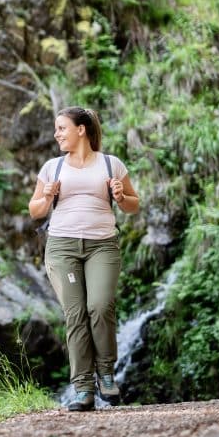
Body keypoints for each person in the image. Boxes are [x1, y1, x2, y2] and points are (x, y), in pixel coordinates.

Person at [28, 106, 139, 412]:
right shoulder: (52, 168)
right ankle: (83, 388)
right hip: (63, 249)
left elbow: (133, 205)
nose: (56, 134)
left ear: (81, 129)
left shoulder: (110, 164)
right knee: (75, 313)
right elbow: (35, 210)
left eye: (61, 128)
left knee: (100, 306)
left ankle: (105, 373)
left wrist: (120, 197)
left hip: (102, 246)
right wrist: (47, 197)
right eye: (56, 129)